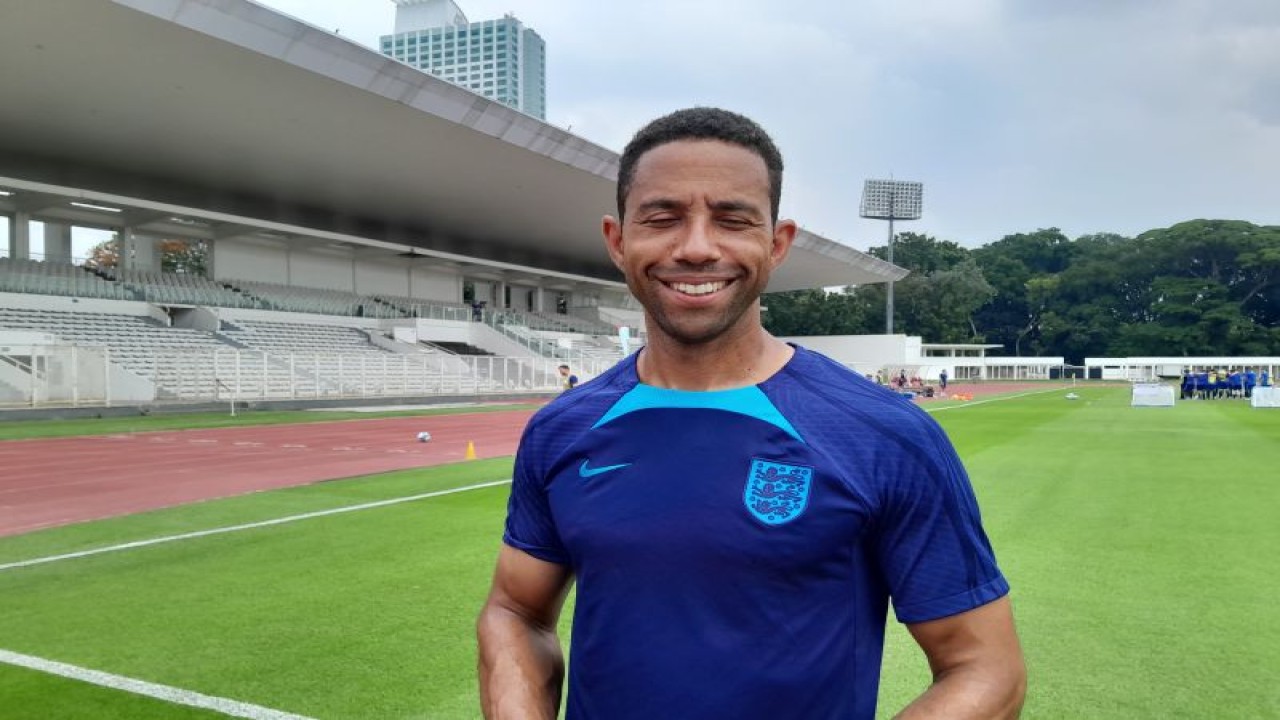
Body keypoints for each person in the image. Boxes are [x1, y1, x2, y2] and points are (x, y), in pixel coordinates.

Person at [477, 107, 1025, 720]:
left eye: (732, 220)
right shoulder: (562, 429)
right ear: (617, 240)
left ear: (777, 242)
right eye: (662, 219)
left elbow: (984, 668)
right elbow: (515, 612)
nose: (696, 248)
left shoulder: (884, 434)